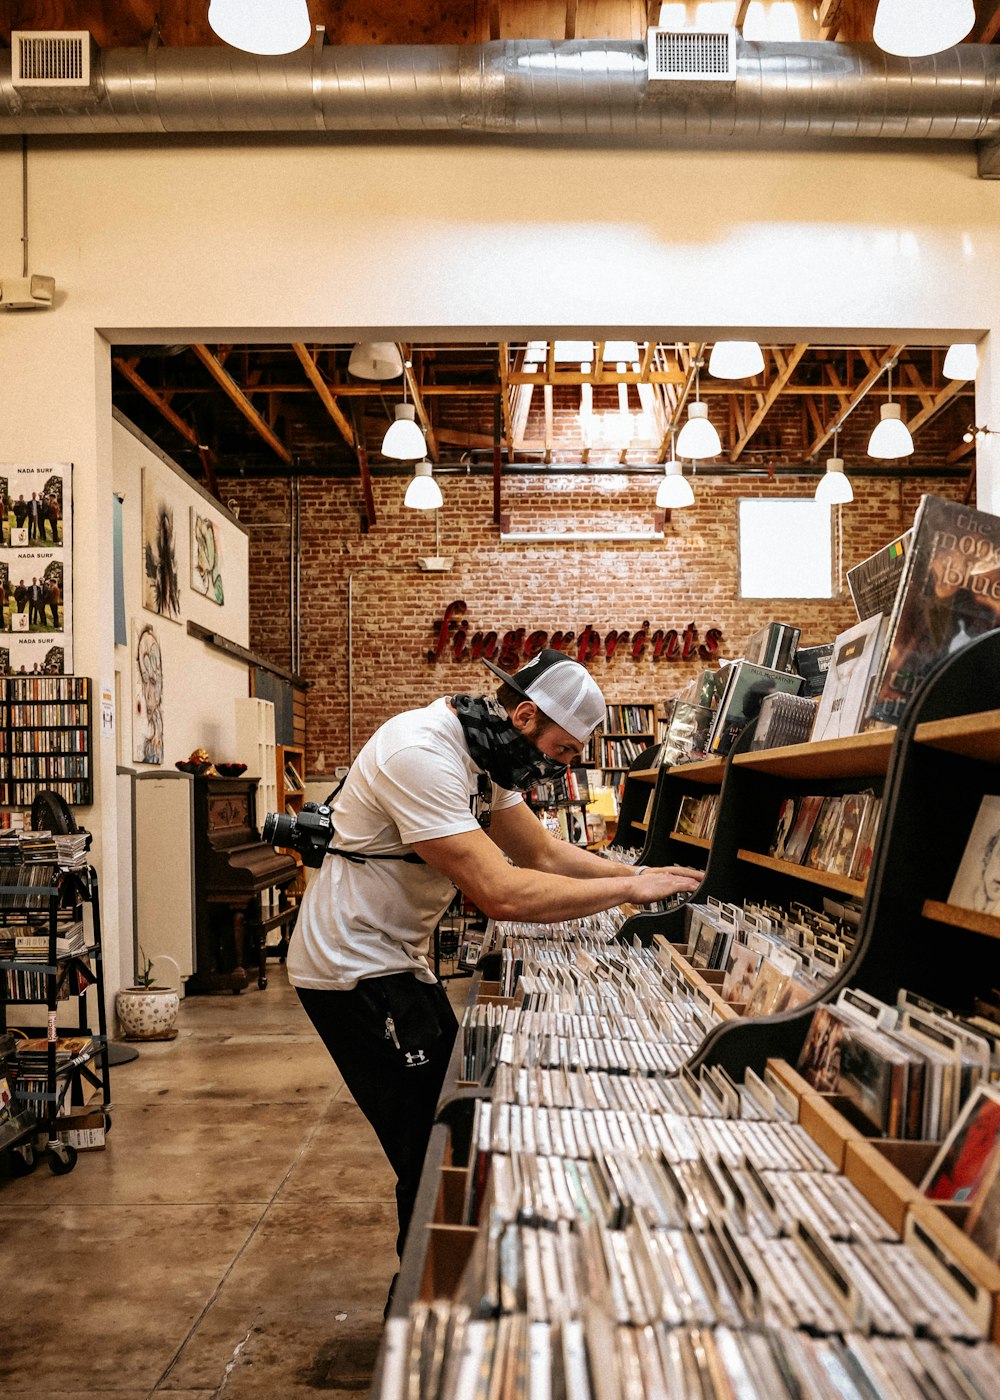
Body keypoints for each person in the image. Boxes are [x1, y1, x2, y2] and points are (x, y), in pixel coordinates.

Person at [285, 649, 701, 1292]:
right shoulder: (419, 754)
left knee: (455, 1123)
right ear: (527, 715)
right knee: (433, 1146)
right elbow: (502, 892)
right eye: (563, 753)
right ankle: (425, 1306)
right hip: (353, 969)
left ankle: (437, 1283)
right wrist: (625, 894)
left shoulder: (490, 750)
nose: (561, 768)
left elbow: (539, 851)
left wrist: (638, 875)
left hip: (395, 958)